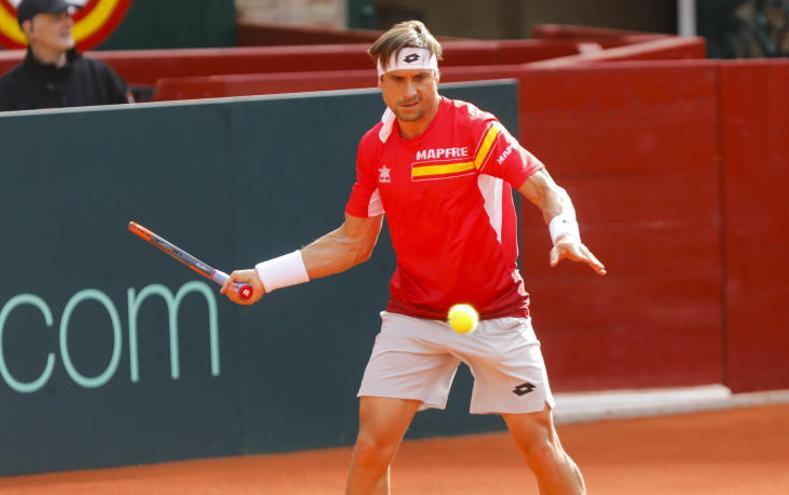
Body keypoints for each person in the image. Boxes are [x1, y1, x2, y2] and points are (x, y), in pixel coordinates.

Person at [221, 20, 606, 495]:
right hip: (415, 315)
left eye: (420, 77)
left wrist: (564, 231)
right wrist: (265, 276)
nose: (410, 91)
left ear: (436, 76)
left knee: (541, 449)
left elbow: (545, 187)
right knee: (371, 447)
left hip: (499, 313)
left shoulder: (475, 129)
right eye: (398, 80)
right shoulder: (375, 148)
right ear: (380, 82)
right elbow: (353, 242)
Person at [0, 0, 131, 112]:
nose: (68, 23)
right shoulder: (7, 91)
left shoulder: (101, 76)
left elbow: (131, 126)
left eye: (67, 15)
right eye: (57, 18)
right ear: (29, 28)